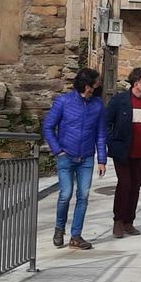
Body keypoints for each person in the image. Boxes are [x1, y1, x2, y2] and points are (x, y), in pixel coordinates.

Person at [42, 68, 107, 250]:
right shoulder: (64, 101)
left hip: (86, 158)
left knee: (83, 196)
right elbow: (48, 127)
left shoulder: (98, 105)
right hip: (66, 155)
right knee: (65, 194)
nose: (99, 85)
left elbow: (101, 134)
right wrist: (58, 150)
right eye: (96, 83)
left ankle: (76, 236)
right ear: (88, 86)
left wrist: (102, 159)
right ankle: (59, 228)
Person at [106, 67, 141, 238]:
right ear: (137, 83)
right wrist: (111, 142)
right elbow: (106, 123)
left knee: (136, 186)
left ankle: (129, 221)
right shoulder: (120, 100)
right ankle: (118, 221)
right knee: (125, 184)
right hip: (122, 151)